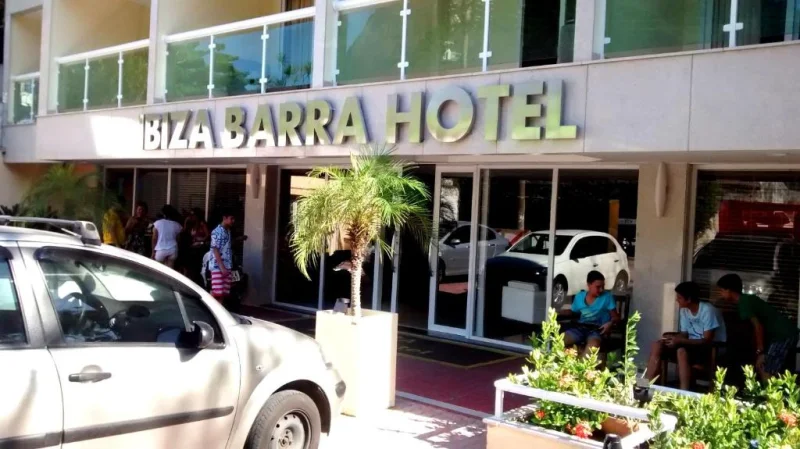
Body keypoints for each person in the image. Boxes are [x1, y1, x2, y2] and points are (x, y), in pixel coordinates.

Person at [646, 281, 727, 390]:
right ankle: (647, 386)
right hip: (690, 346)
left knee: (681, 351)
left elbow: (707, 340)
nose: (677, 300)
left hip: (709, 349)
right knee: (657, 345)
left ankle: (683, 392)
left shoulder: (707, 310)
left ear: (689, 299)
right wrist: (672, 339)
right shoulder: (685, 311)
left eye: (679, 298)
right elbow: (684, 334)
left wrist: (680, 341)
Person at [717, 273, 797, 381]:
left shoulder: (745, 302)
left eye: (721, 290)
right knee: (766, 368)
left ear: (729, 290)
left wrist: (760, 351)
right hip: (779, 335)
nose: (720, 294)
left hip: (782, 335)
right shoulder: (745, 301)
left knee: (766, 368)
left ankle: (770, 391)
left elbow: (758, 326)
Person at [559, 270, 620, 356]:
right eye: (598, 287)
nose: (601, 289)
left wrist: (610, 323)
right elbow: (573, 312)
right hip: (580, 328)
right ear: (589, 285)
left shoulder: (607, 297)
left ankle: (581, 364)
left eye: (603, 286)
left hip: (597, 330)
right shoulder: (580, 296)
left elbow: (616, 317)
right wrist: (557, 312)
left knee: (592, 347)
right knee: (559, 341)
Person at [209, 210, 235, 303]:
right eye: (231, 218)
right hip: (218, 266)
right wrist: (222, 267)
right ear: (224, 218)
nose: (233, 221)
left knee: (223, 293)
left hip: (227, 265)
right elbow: (215, 249)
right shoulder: (217, 231)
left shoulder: (228, 231)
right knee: (217, 293)